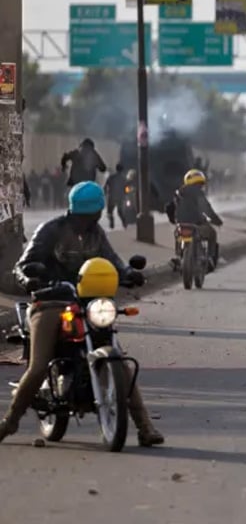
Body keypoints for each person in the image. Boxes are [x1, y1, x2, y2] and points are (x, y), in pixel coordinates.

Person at [0, 182, 163, 447]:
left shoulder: (96, 234)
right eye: (86, 215)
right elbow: (24, 264)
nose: (89, 220)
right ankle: (10, 421)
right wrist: (29, 279)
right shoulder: (51, 230)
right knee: (39, 366)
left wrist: (128, 274)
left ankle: (145, 427)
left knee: (118, 359)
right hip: (50, 302)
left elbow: (112, 262)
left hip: (88, 303)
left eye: (91, 215)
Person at [166, 169, 224, 271]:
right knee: (212, 233)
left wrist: (174, 220)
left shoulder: (179, 192)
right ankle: (210, 257)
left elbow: (169, 208)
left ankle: (178, 256)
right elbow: (207, 209)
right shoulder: (198, 193)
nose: (200, 186)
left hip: (181, 224)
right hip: (197, 224)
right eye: (200, 184)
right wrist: (217, 220)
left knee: (178, 234)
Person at [103, 163, 127, 229]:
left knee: (109, 212)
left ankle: (111, 223)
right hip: (121, 197)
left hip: (112, 197)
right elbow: (126, 188)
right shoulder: (124, 178)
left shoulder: (111, 177)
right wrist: (126, 194)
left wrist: (104, 193)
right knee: (120, 212)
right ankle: (124, 223)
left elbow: (105, 186)